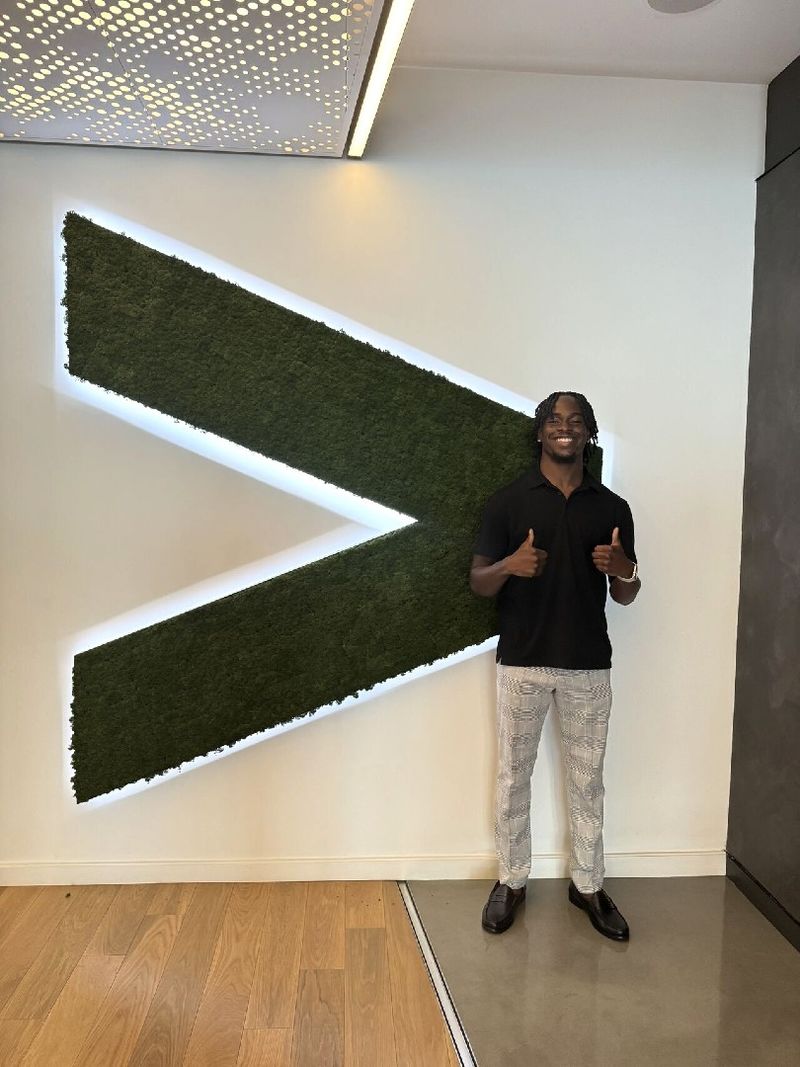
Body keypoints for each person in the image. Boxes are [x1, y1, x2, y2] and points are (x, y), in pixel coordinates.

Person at [470, 391, 640, 941]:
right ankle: (511, 881)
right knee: (513, 777)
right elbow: (478, 583)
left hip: (589, 666)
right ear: (540, 433)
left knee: (588, 783)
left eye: (575, 421)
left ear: (588, 433)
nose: (564, 428)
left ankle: (587, 885)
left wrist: (625, 570)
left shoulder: (612, 508)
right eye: (554, 420)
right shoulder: (506, 502)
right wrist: (509, 565)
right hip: (521, 662)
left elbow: (626, 592)